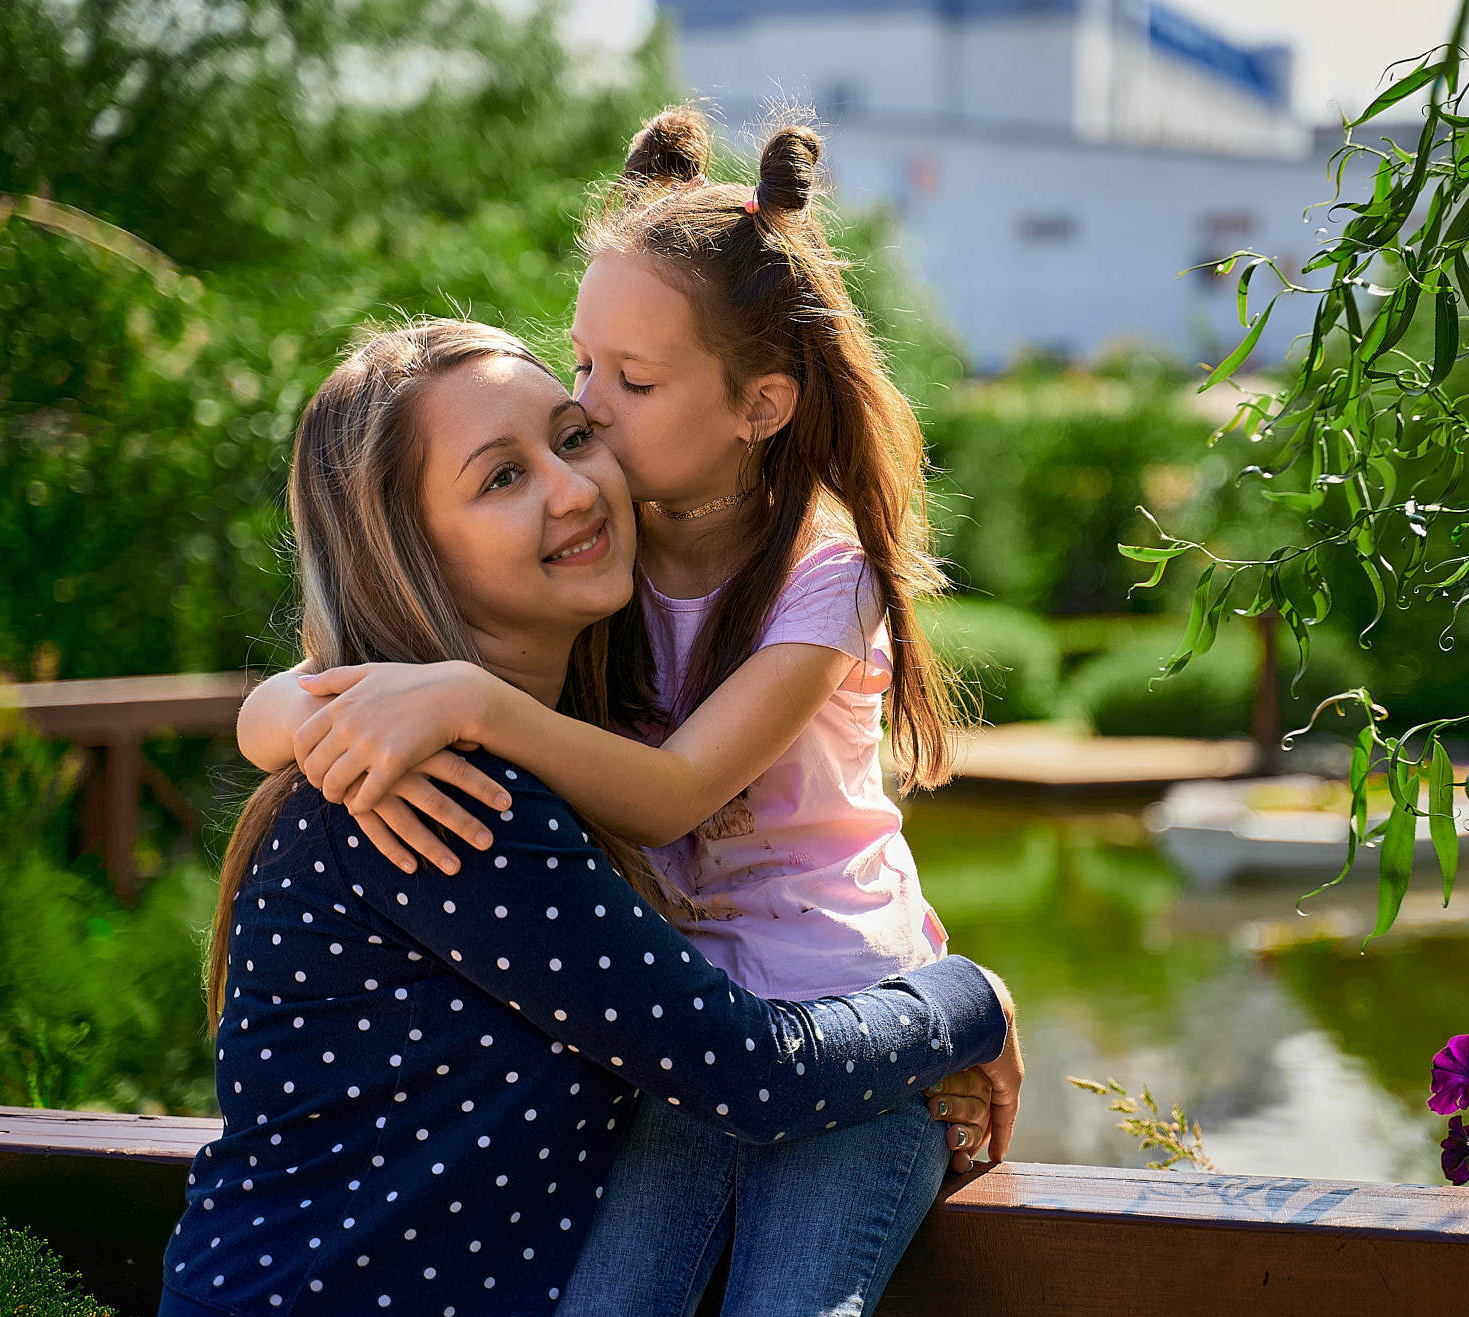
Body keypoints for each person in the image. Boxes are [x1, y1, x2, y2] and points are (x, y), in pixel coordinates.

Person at [237, 109, 1005, 1315]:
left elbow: (672, 792)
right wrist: (285, 712)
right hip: (693, 1047)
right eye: (581, 371)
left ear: (759, 406)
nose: (588, 422)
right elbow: (309, 684)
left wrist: (462, 697)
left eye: (614, 393)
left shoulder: (816, 571)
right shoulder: (608, 573)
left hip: (843, 1024)